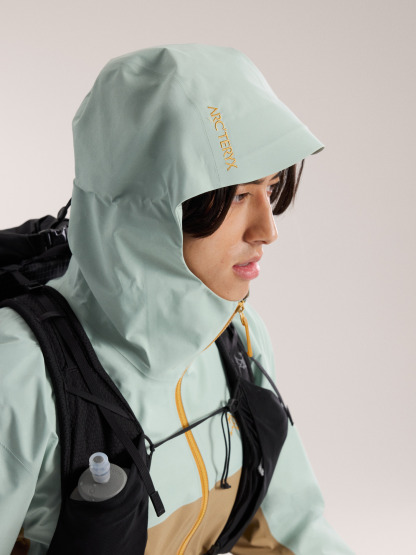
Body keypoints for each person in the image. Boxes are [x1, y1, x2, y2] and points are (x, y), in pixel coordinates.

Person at [0, 44, 355, 554]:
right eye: (238, 196)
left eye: (271, 188)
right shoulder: (21, 372)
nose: (267, 229)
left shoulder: (238, 340)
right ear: (146, 209)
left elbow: (291, 533)